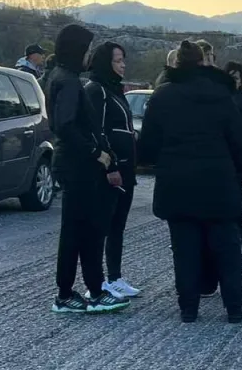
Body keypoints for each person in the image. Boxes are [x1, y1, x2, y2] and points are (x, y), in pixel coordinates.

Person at [139, 40, 242, 323]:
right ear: (204, 64)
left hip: (177, 184)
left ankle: (188, 308)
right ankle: (234, 308)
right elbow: (238, 141)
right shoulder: (222, 95)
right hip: (219, 183)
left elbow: (147, 147)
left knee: (185, 250)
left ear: (176, 65)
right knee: (227, 249)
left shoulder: (162, 97)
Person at [46, 24, 130, 314]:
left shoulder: (58, 76)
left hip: (70, 164)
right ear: (76, 50)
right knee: (83, 231)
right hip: (78, 166)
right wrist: (97, 153)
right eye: (86, 50)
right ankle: (79, 292)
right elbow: (66, 125)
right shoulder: (69, 81)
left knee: (77, 230)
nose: (89, 56)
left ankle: (80, 290)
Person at [83, 42, 140, 298]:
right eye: (118, 60)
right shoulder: (96, 91)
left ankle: (115, 276)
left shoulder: (116, 91)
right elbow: (97, 132)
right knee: (103, 226)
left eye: (123, 60)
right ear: (106, 62)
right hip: (109, 171)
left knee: (118, 226)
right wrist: (111, 165)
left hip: (128, 170)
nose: (123, 65)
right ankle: (99, 281)